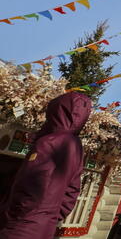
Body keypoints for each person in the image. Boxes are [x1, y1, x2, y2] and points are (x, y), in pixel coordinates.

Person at [0, 92, 92, 239]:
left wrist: (11, 215)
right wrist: (49, 217)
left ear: (56, 112)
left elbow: (30, 184)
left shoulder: (49, 142)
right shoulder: (77, 146)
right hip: (44, 228)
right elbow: (71, 193)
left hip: (20, 226)